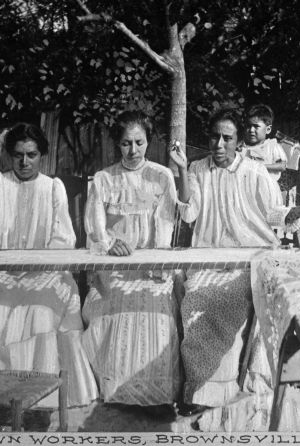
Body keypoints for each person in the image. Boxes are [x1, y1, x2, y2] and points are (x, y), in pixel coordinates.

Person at [170, 108, 300, 413]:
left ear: (236, 140)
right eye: (214, 136)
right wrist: (181, 170)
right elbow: (189, 213)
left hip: (251, 259)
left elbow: (275, 214)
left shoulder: (254, 171)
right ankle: (200, 389)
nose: (219, 144)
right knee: (194, 300)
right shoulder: (197, 169)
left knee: (222, 302)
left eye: (226, 138)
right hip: (210, 259)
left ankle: (221, 388)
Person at [0, 122, 98, 408]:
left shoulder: (53, 187)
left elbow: (64, 238)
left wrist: (35, 263)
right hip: (2, 273)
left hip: (43, 272)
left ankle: (42, 393)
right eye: (18, 155)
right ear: (9, 155)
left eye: (31, 154)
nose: (24, 161)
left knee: (43, 308)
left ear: (42, 155)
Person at [82, 110, 182, 411]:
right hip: (116, 266)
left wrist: (156, 264)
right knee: (117, 305)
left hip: (151, 266)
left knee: (156, 306)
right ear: (117, 144)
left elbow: (165, 226)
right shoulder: (104, 179)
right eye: (127, 143)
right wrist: (110, 245)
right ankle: (118, 391)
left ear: (149, 142)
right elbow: (95, 229)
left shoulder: (161, 176)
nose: (134, 150)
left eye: (140, 142)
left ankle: (157, 395)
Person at [237, 104, 287, 202]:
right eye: (248, 126)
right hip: (244, 192)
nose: (251, 130)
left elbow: (282, 166)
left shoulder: (272, 146)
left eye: (256, 127)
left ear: (268, 129)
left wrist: (260, 166)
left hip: (266, 192)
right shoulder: (241, 147)